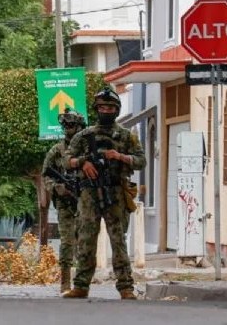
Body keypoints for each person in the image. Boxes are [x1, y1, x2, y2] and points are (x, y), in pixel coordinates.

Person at [63, 86, 145, 300]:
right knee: (86, 239)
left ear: (116, 110)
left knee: (118, 240)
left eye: (110, 107)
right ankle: (81, 285)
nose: (106, 111)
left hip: (115, 192)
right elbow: (67, 160)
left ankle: (126, 287)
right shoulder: (84, 136)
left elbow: (141, 161)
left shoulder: (126, 136)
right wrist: (83, 163)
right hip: (89, 194)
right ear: (96, 109)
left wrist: (119, 156)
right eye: (102, 107)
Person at [42, 108, 85, 293]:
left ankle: (82, 283)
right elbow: (46, 175)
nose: (68, 128)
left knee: (84, 244)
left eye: (72, 125)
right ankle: (65, 283)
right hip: (65, 204)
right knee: (67, 242)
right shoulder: (56, 151)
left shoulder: (86, 149)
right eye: (65, 125)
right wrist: (56, 187)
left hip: (85, 202)